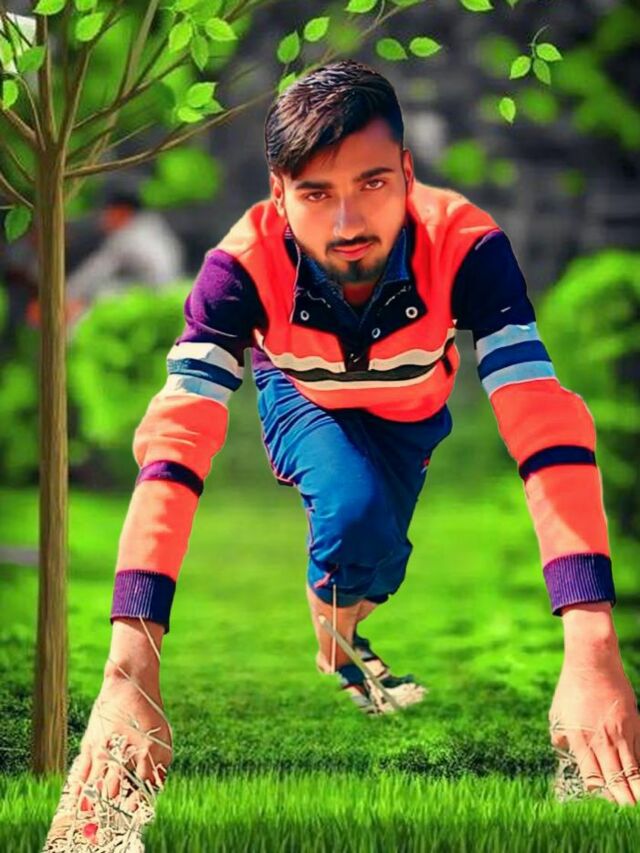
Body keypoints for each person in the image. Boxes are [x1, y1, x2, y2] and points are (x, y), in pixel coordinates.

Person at [73, 60, 639, 811]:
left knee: (379, 554)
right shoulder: (237, 268)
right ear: (278, 194)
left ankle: (338, 620)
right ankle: (333, 626)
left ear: (406, 171)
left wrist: (593, 646)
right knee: (354, 513)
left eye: (372, 183)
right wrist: (128, 670)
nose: (347, 225)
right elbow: (174, 447)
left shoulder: (469, 245)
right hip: (303, 394)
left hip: (414, 410)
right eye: (316, 193)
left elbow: (542, 416)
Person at [63, 188, 185, 328]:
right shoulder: (155, 230)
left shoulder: (129, 237)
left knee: (90, 304)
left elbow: (95, 273)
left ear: (121, 211)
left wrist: (64, 298)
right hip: (166, 301)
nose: (103, 218)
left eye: (107, 212)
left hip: (150, 302)